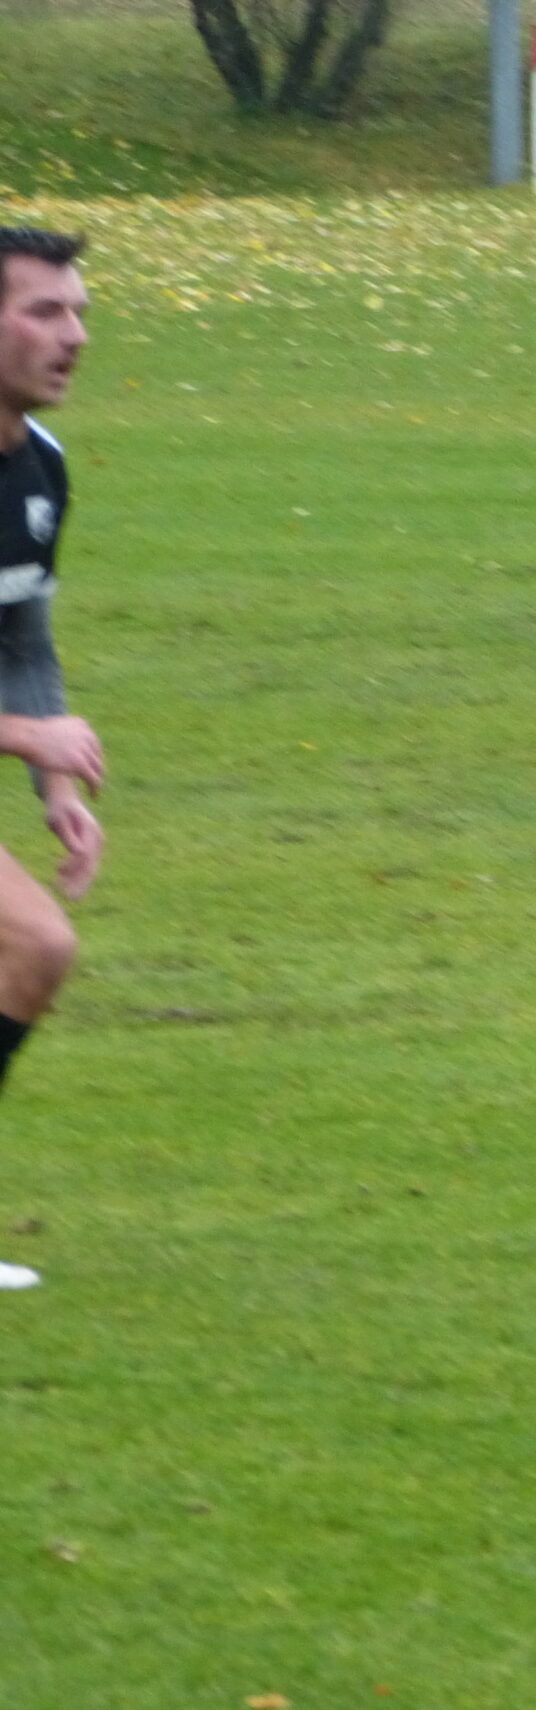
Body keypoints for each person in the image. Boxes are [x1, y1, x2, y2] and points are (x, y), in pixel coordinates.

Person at [0, 228, 108, 1291]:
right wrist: (27, 736)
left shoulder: (42, 469)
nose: (72, 336)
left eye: (78, 312)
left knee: (30, 952)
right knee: (35, 942)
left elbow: (18, 641)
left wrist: (55, 787)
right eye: (43, 311)